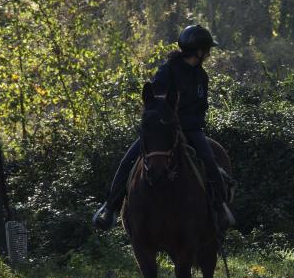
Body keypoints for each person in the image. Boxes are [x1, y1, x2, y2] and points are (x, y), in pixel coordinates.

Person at [92, 24, 235, 232]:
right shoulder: (167, 71)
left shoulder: (201, 76)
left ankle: (220, 208)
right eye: (208, 50)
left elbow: (201, 107)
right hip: (164, 130)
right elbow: (155, 103)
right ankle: (110, 208)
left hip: (191, 130)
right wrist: (170, 123)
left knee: (210, 161)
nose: (209, 54)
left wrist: (192, 125)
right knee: (127, 161)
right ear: (200, 51)